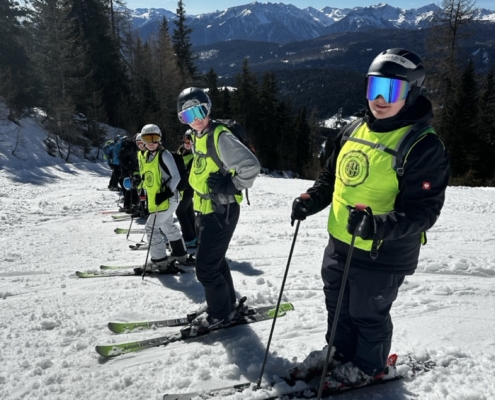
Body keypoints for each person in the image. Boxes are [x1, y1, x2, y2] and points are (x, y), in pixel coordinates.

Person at [290, 48, 450, 389]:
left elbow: (424, 211)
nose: (379, 99)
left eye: (391, 90)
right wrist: (311, 199)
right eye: (374, 87)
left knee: (367, 313)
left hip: (383, 252)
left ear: (412, 92)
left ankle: (369, 366)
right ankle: (340, 353)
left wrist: (378, 226)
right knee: (337, 306)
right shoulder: (352, 129)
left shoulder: (423, 146)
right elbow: (331, 177)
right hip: (339, 242)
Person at [176, 87, 260, 334]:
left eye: (199, 111)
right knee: (216, 261)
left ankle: (220, 314)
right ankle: (225, 304)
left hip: (221, 211)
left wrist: (230, 185)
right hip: (205, 209)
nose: (196, 119)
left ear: (208, 109)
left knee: (205, 269)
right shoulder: (198, 136)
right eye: (188, 115)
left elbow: (251, 166)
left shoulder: (220, 136)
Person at [138, 124, 188, 270]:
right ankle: (180, 254)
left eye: (155, 138)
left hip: (169, 198)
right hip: (158, 199)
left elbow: (176, 177)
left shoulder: (164, 154)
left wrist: (167, 193)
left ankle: (159, 261)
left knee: (150, 227)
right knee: (167, 225)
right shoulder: (147, 156)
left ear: (160, 139)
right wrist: (140, 184)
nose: (151, 142)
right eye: (147, 139)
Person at [175, 130, 197, 247]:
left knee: (180, 211)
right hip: (181, 187)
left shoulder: (194, 156)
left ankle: (189, 238)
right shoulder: (180, 152)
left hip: (188, 187)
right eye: (186, 140)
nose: (188, 144)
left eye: (191, 141)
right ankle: (194, 235)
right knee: (188, 211)